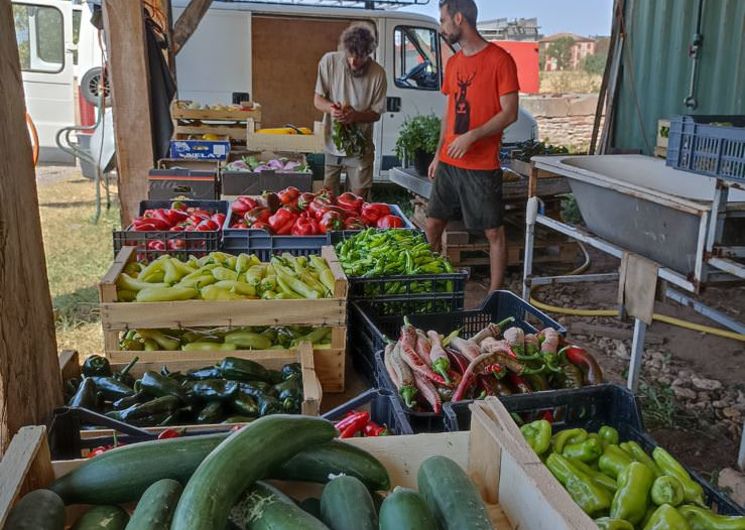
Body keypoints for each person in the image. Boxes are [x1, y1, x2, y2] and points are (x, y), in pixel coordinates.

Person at [426, 0, 519, 292]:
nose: (442, 28)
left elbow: (510, 112)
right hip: (449, 162)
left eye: (443, 21)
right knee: (432, 224)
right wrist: (438, 155)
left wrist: (473, 136)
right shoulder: (453, 63)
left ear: (458, 18)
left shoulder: (500, 60)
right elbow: (449, 114)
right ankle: (426, 281)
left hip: (481, 165)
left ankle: (495, 294)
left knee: (493, 231)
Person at [314, 23, 387, 200]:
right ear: (345, 50)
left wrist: (356, 116)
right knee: (327, 197)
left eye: (360, 56)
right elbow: (318, 100)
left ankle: (354, 226)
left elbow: (376, 113)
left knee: (358, 199)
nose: (354, 61)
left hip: (360, 147)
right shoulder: (329, 62)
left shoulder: (378, 74)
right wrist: (332, 110)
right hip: (332, 142)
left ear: (368, 53)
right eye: (350, 55)